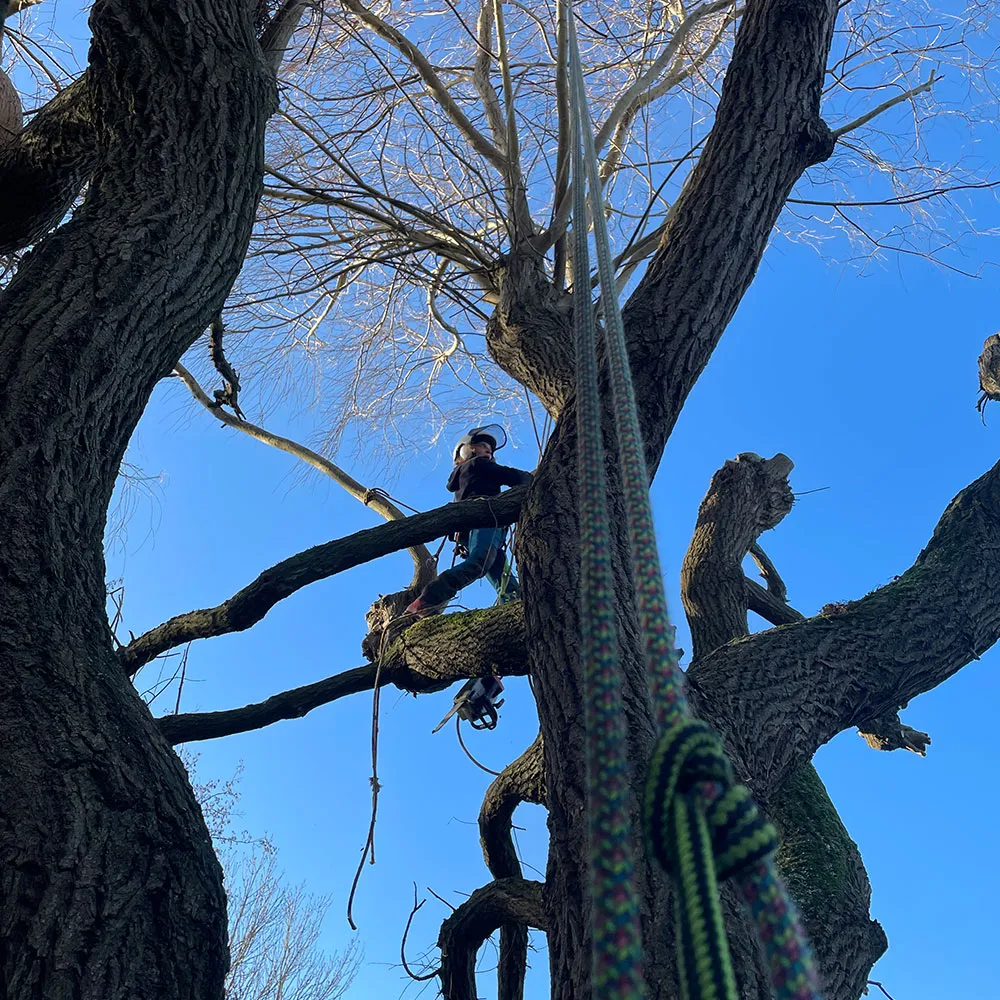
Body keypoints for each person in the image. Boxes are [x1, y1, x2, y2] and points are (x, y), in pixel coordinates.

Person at [405, 425, 533, 617]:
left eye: (489, 447)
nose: (488, 449)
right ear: (468, 449)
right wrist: (531, 478)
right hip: (488, 519)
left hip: (470, 528)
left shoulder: (464, 476)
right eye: (482, 445)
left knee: (499, 571)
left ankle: (516, 605)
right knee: (480, 562)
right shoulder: (478, 465)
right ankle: (430, 598)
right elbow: (511, 476)